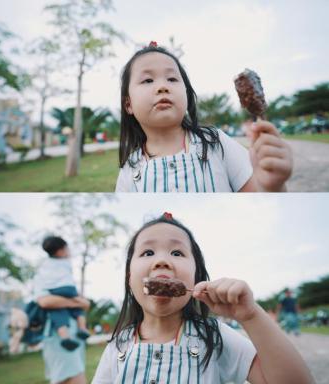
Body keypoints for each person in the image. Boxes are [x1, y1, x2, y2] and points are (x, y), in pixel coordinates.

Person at [91, 213, 313, 383]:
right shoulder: (118, 346)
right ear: (130, 278)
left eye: (177, 253)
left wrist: (252, 316)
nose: (162, 261)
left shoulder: (215, 337)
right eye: (147, 252)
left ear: (196, 277)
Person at [115, 42, 293, 192]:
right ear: (128, 104)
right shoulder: (129, 171)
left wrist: (271, 184)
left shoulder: (216, 142)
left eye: (172, 79)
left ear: (186, 93)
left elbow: (257, 194)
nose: (163, 87)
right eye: (147, 80)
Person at [34, 236, 91, 384]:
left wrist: (78, 303)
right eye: (67, 248)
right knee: (74, 377)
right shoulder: (43, 274)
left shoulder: (64, 272)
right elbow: (45, 302)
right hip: (57, 335)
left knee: (69, 377)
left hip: (74, 335)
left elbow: (85, 304)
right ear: (61, 250)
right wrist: (74, 302)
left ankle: (81, 328)